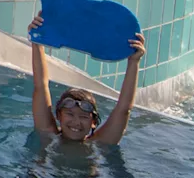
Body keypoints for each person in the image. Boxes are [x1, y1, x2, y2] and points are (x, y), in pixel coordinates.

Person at [28, 15, 145, 145]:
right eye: (70, 114)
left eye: (83, 117)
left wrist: (134, 61)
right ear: (58, 116)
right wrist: (37, 42)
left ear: (93, 123)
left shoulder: (99, 143)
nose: (76, 122)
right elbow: (40, 86)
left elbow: (124, 109)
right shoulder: (48, 133)